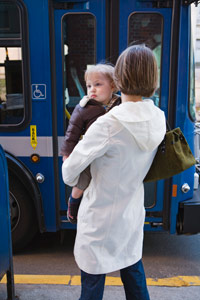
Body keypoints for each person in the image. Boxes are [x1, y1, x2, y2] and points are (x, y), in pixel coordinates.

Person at [62, 45, 166, 300]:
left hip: (99, 219)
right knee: (135, 281)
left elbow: (69, 173)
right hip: (130, 215)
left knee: (92, 287)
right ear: (153, 78)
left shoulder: (108, 124)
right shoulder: (158, 117)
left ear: (118, 78)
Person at [60, 64, 121, 223]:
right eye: (89, 86)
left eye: (98, 84)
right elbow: (71, 133)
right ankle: (73, 202)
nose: (92, 89)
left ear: (113, 86)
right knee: (84, 178)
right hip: (91, 152)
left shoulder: (119, 105)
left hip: (111, 153)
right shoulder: (84, 108)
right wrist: (67, 154)